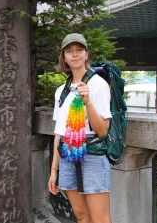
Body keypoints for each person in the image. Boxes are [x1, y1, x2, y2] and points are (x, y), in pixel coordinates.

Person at [48, 33, 112, 223]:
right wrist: (54, 171)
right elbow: (59, 133)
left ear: (86, 54)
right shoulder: (62, 91)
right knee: (81, 216)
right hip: (68, 156)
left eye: (79, 50)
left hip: (92, 155)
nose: (75, 55)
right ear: (64, 58)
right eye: (69, 51)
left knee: (100, 219)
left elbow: (103, 130)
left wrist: (87, 102)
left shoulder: (98, 84)